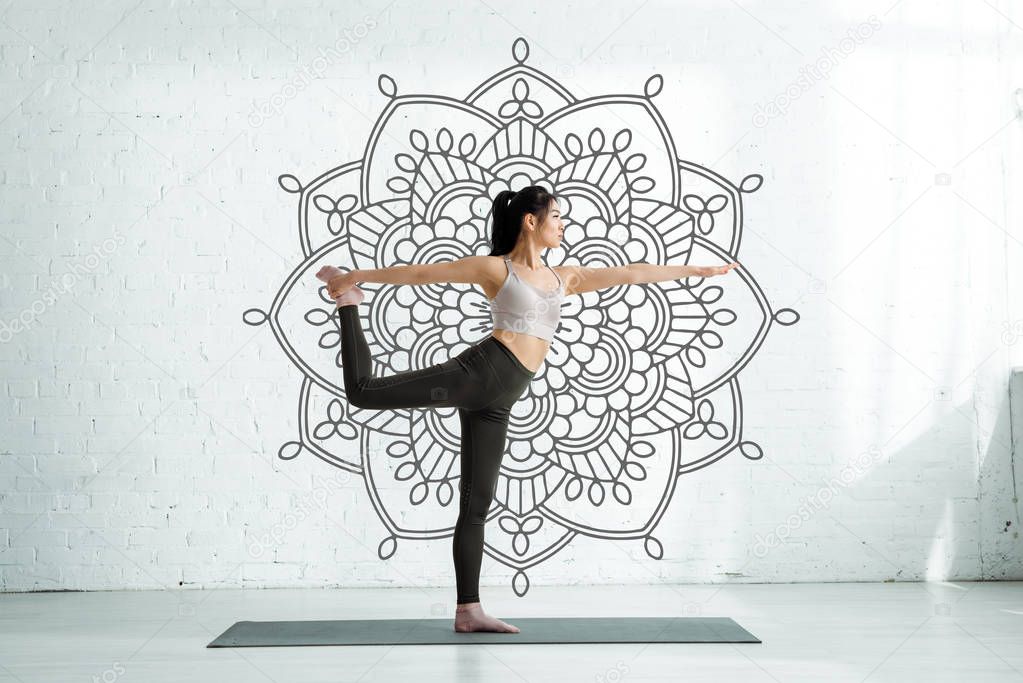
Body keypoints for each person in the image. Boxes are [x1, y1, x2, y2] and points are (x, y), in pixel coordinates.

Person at [315, 185, 739, 633]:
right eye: (556, 216)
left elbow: (630, 273)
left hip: (499, 399)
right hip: (479, 373)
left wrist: (699, 269)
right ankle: (347, 302)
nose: (563, 224)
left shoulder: (564, 277)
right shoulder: (496, 269)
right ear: (530, 221)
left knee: (476, 504)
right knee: (363, 391)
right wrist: (354, 276)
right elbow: (422, 274)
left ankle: (469, 611)